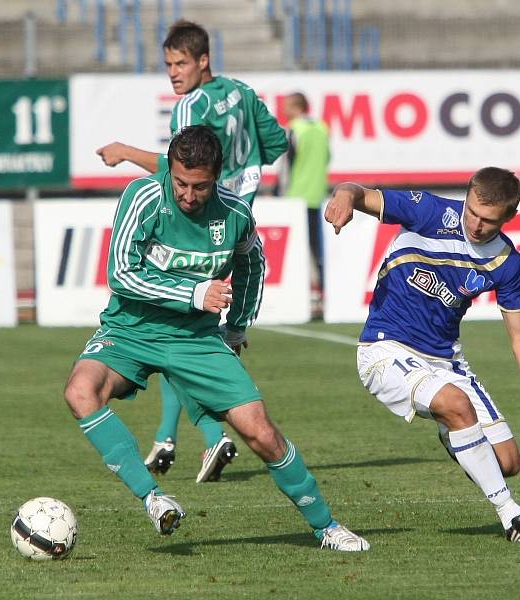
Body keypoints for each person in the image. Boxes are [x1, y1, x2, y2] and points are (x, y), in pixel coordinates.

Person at [65, 125, 368, 551]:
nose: (188, 195)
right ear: (169, 172)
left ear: (217, 177)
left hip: (196, 340)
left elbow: (252, 265)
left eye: (200, 186)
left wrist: (237, 326)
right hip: (131, 328)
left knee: (261, 433)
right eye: (181, 183)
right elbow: (121, 273)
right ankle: (153, 498)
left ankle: (327, 527)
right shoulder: (143, 196)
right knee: (80, 391)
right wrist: (193, 292)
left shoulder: (234, 214)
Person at [95, 19, 288, 483]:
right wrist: (245, 174)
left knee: (172, 332)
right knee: (190, 338)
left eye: (181, 63)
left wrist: (125, 150)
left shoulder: (189, 108)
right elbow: (277, 142)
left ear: (203, 60)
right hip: (237, 221)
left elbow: (181, 167)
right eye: (168, 64)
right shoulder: (241, 91)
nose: (174, 73)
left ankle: (189, 437)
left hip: (199, 224)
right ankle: (177, 438)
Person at [324, 167, 520, 542]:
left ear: (509, 218)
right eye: (472, 212)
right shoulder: (431, 212)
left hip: (446, 361)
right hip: (385, 349)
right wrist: (343, 195)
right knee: (456, 404)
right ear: (466, 196)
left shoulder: (505, 262)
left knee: (507, 462)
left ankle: (451, 428)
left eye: (489, 220)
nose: (477, 225)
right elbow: (360, 192)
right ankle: (513, 517)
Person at [279, 92, 331, 316]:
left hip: (295, 197)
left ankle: (305, 296)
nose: (284, 110)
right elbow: (327, 158)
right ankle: (321, 294)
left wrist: (279, 194)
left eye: (287, 106)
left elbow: (286, 168)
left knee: (298, 251)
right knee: (317, 248)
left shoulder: (294, 130)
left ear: (297, 107)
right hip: (317, 194)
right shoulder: (322, 128)